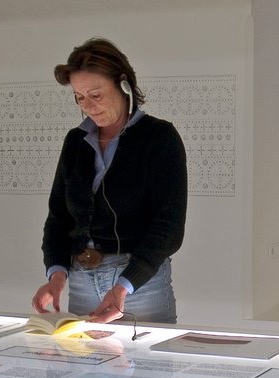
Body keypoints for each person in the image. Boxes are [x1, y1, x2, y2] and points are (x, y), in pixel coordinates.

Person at [32, 38, 187, 324]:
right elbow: (58, 218)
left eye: (96, 95)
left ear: (124, 85)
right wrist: (56, 276)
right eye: (79, 97)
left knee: (148, 367)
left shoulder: (160, 138)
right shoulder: (75, 142)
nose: (88, 106)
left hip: (140, 283)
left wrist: (123, 286)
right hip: (81, 279)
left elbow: (169, 227)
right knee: (85, 366)